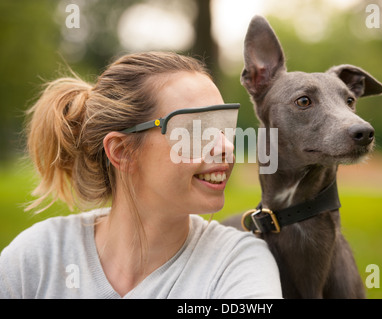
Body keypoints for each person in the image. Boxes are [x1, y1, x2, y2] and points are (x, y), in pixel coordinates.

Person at [0, 52, 282, 298]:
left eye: (224, 127)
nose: (226, 146)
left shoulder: (238, 264)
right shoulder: (36, 257)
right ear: (122, 151)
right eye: (196, 130)